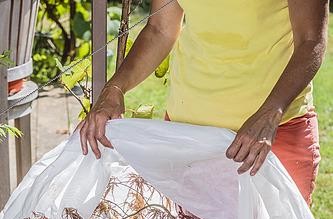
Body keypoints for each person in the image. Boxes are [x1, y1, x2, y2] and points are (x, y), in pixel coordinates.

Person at [79, 0, 329, 205]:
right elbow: (160, 29)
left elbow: (311, 41)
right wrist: (115, 88)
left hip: (271, 137)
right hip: (188, 136)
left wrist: (270, 113)